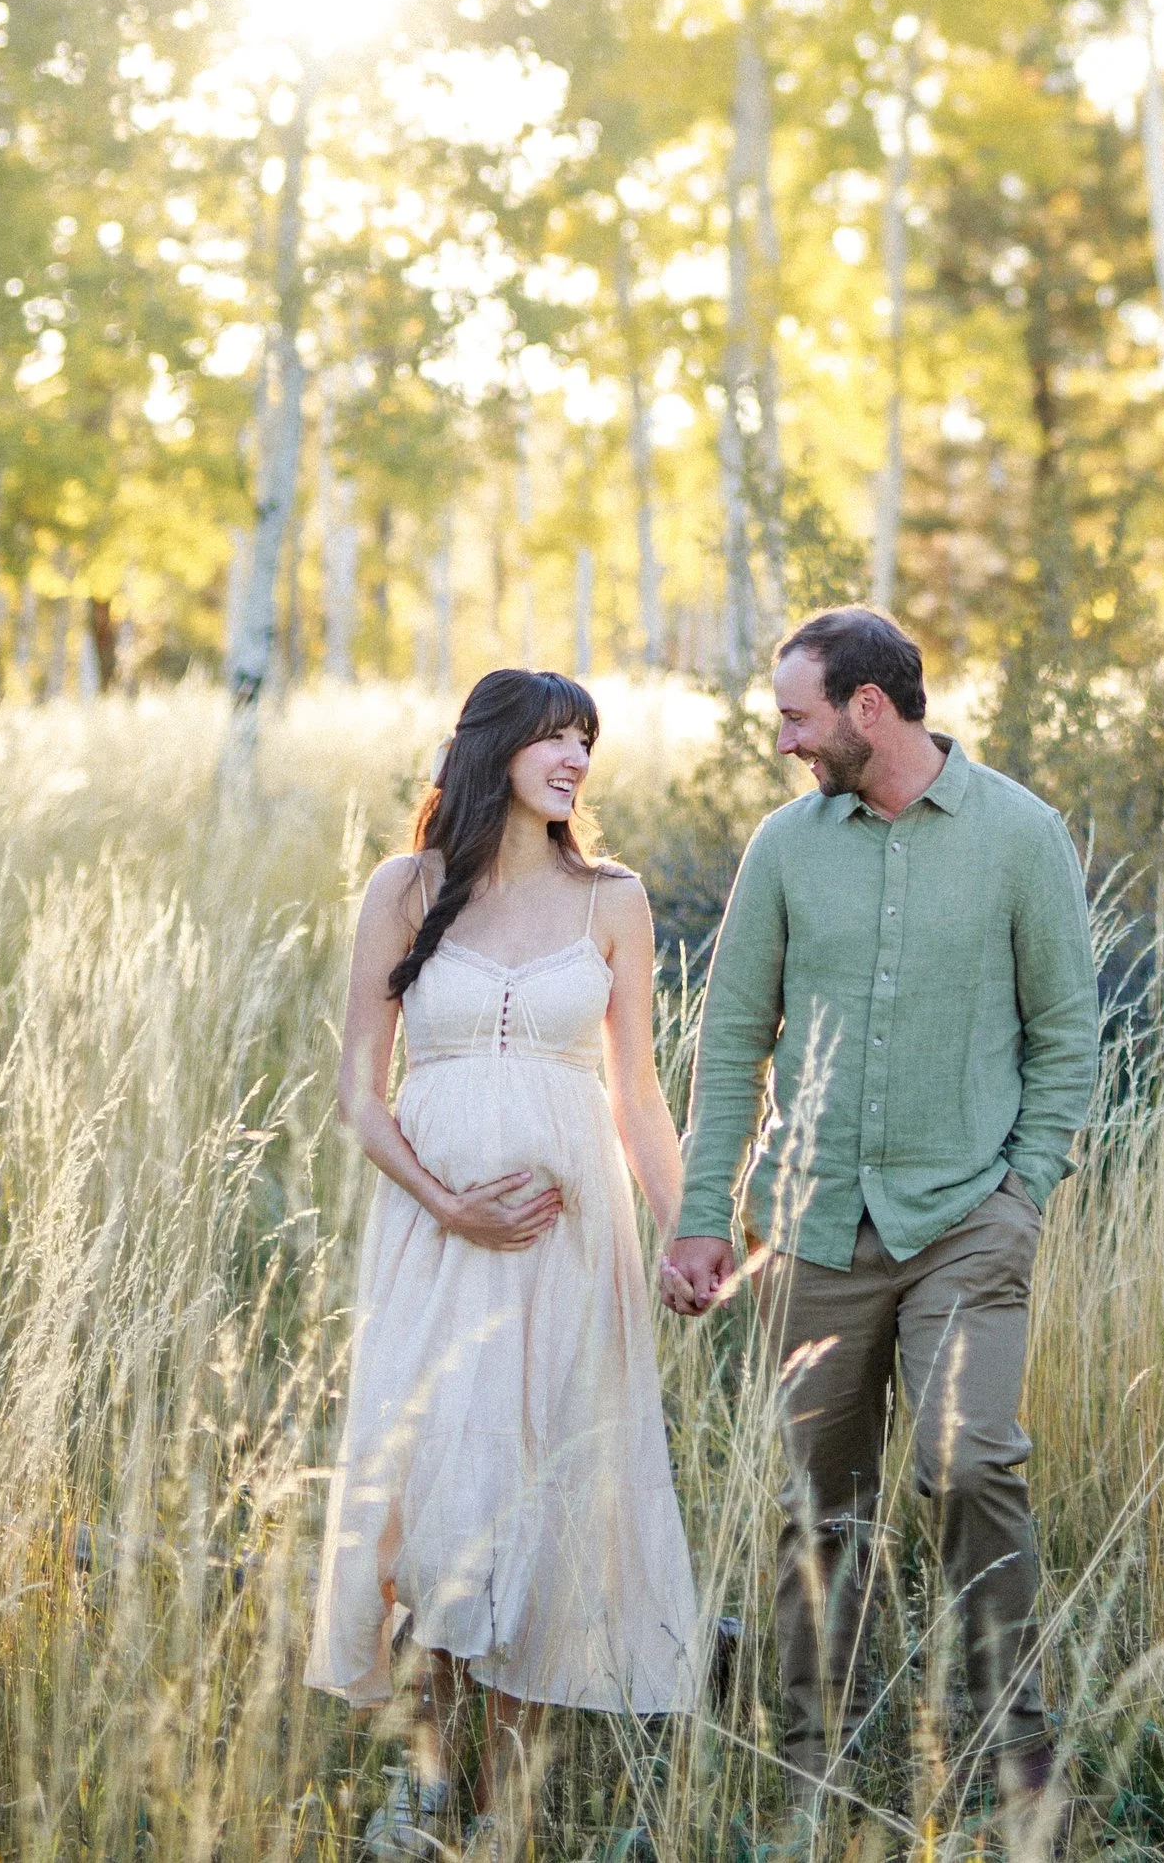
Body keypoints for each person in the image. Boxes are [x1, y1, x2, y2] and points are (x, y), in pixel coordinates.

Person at [659, 608, 1098, 1844]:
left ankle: (1020, 1766)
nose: (785, 741)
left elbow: (1067, 1033)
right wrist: (705, 1215)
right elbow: (733, 1038)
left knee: (972, 1464)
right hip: (813, 1229)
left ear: (866, 708)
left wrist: (1025, 1192)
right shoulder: (785, 849)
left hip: (968, 1219)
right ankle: (819, 1768)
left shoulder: (1020, 835)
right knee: (815, 1504)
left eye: (797, 716)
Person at [309, 667, 700, 1855]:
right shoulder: (406, 885)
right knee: (438, 1497)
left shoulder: (612, 900)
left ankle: (500, 1809)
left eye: (588, 739)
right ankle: (424, 1784)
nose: (577, 757)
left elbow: (635, 1097)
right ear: (493, 749)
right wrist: (447, 1204)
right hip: (436, 1247)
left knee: (545, 1497)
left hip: (572, 1255)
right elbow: (360, 1097)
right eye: (553, 737)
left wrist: (688, 1231)